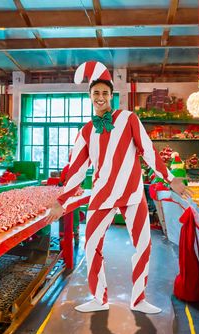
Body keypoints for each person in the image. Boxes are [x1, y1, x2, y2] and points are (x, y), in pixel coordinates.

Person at [47, 61, 191, 314]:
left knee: (144, 244)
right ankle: (99, 298)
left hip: (132, 194)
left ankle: (138, 299)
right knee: (92, 245)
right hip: (102, 195)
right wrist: (62, 201)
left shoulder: (128, 119)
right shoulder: (86, 131)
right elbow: (77, 170)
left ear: (111, 96)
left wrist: (170, 178)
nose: (100, 97)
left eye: (104, 92)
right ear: (90, 96)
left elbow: (148, 151)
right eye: (95, 93)